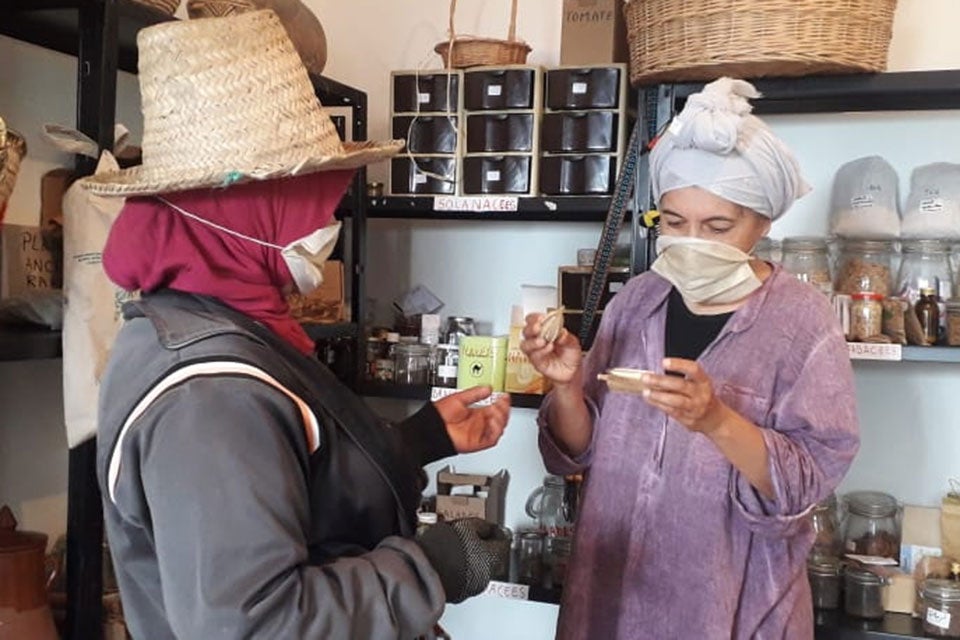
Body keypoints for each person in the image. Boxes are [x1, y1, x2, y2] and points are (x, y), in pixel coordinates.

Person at [86, 11, 510, 640]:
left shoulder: (209, 315)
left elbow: (292, 475)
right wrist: (431, 568)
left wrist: (417, 441)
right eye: (310, 204)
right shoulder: (210, 398)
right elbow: (255, 624)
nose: (325, 228)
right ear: (242, 209)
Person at [521, 78, 860, 639]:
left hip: (731, 607)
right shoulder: (637, 301)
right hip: (610, 597)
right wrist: (565, 386)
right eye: (675, 223)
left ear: (764, 222)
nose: (693, 241)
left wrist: (717, 421)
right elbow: (579, 453)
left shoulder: (803, 323)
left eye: (719, 226)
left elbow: (804, 483)